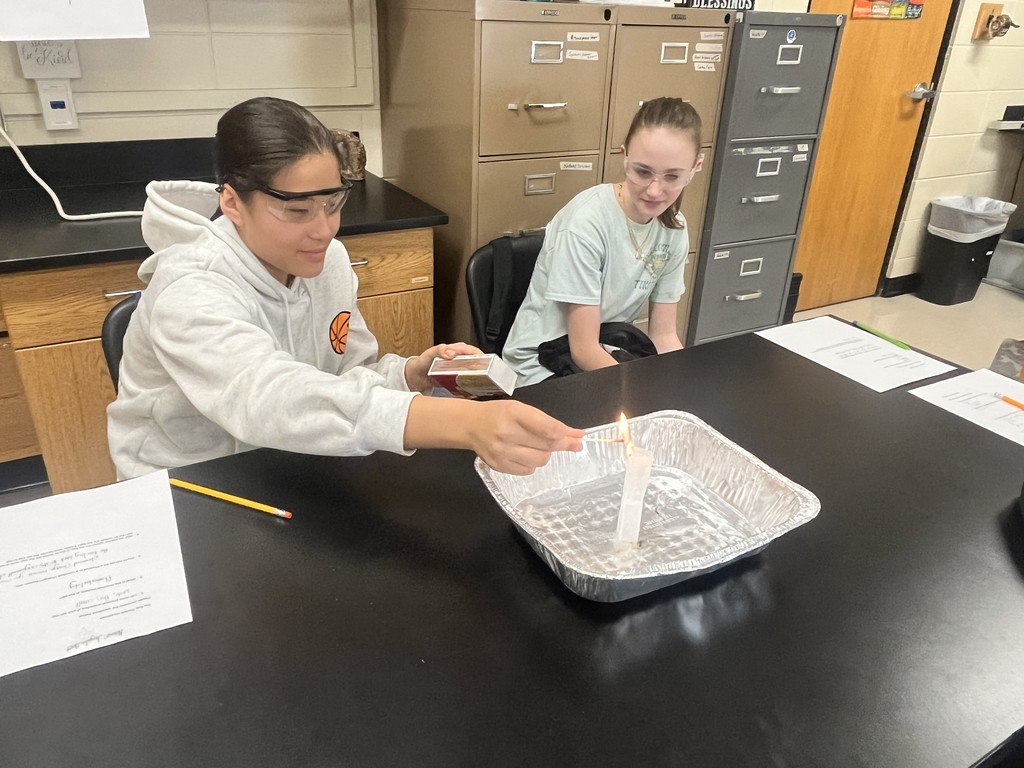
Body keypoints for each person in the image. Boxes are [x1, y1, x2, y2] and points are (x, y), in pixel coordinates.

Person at [107, 97, 583, 479]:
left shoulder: (328, 262)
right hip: (188, 483)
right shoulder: (191, 287)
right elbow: (268, 398)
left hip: (291, 462)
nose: (325, 230)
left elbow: (345, 375)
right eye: (297, 211)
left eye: (333, 203)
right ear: (232, 203)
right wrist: (464, 424)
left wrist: (411, 375)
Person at [502, 97, 702, 386]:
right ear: (624, 157)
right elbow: (583, 351)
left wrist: (679, 388)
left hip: (605, 351)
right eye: (642, 172)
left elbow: (664, 336)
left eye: (672, 176)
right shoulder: (586, 222)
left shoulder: (674, 228)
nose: (654, 190)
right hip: (541, 365)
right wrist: (641, 395)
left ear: (695, 167)